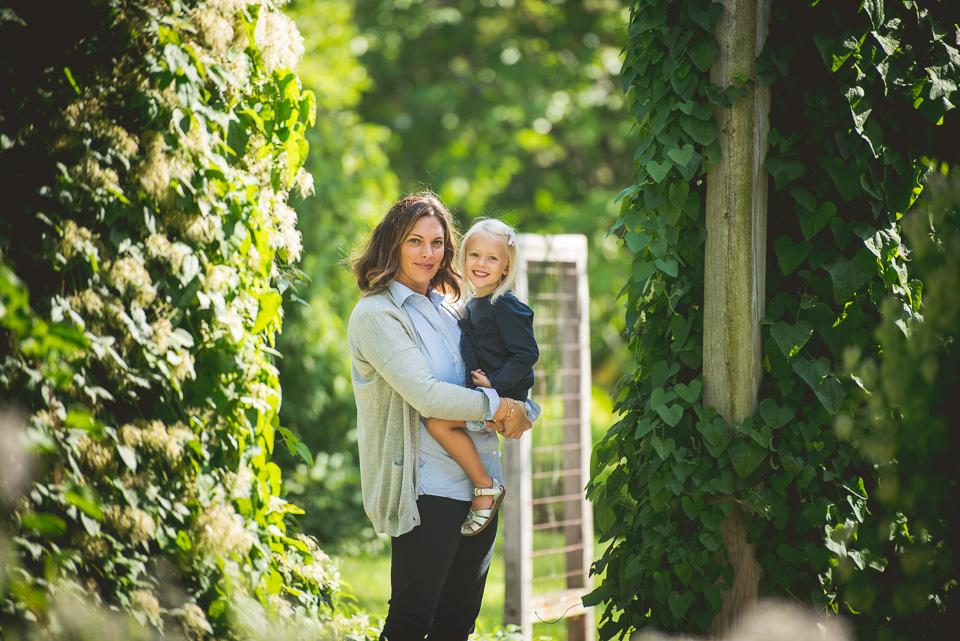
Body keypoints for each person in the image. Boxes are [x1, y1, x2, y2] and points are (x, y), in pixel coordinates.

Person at [347, 192, 533, 641]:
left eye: (437, 243)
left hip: (484, 489)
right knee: (411, 622)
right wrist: (502, 407)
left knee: (457, 625)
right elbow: (428, 396)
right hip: (429, 490)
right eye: (415, 241)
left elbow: (498, 368)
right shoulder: (376, 313)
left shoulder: (454, 307)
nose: (428, 254)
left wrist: (525, 409)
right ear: (392, 245)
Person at [424, 219, 539, 537]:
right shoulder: (475, 302)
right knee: (442, 422)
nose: (481, 263)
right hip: (490, 392)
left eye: (492, 258)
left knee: (437, 422)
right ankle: (482, 482)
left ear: (506, 267)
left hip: (505, 392)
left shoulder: (505, 305)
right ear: (463, 258)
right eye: (474, 255)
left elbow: (527, 355)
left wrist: (497, 385)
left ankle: (485, 487)